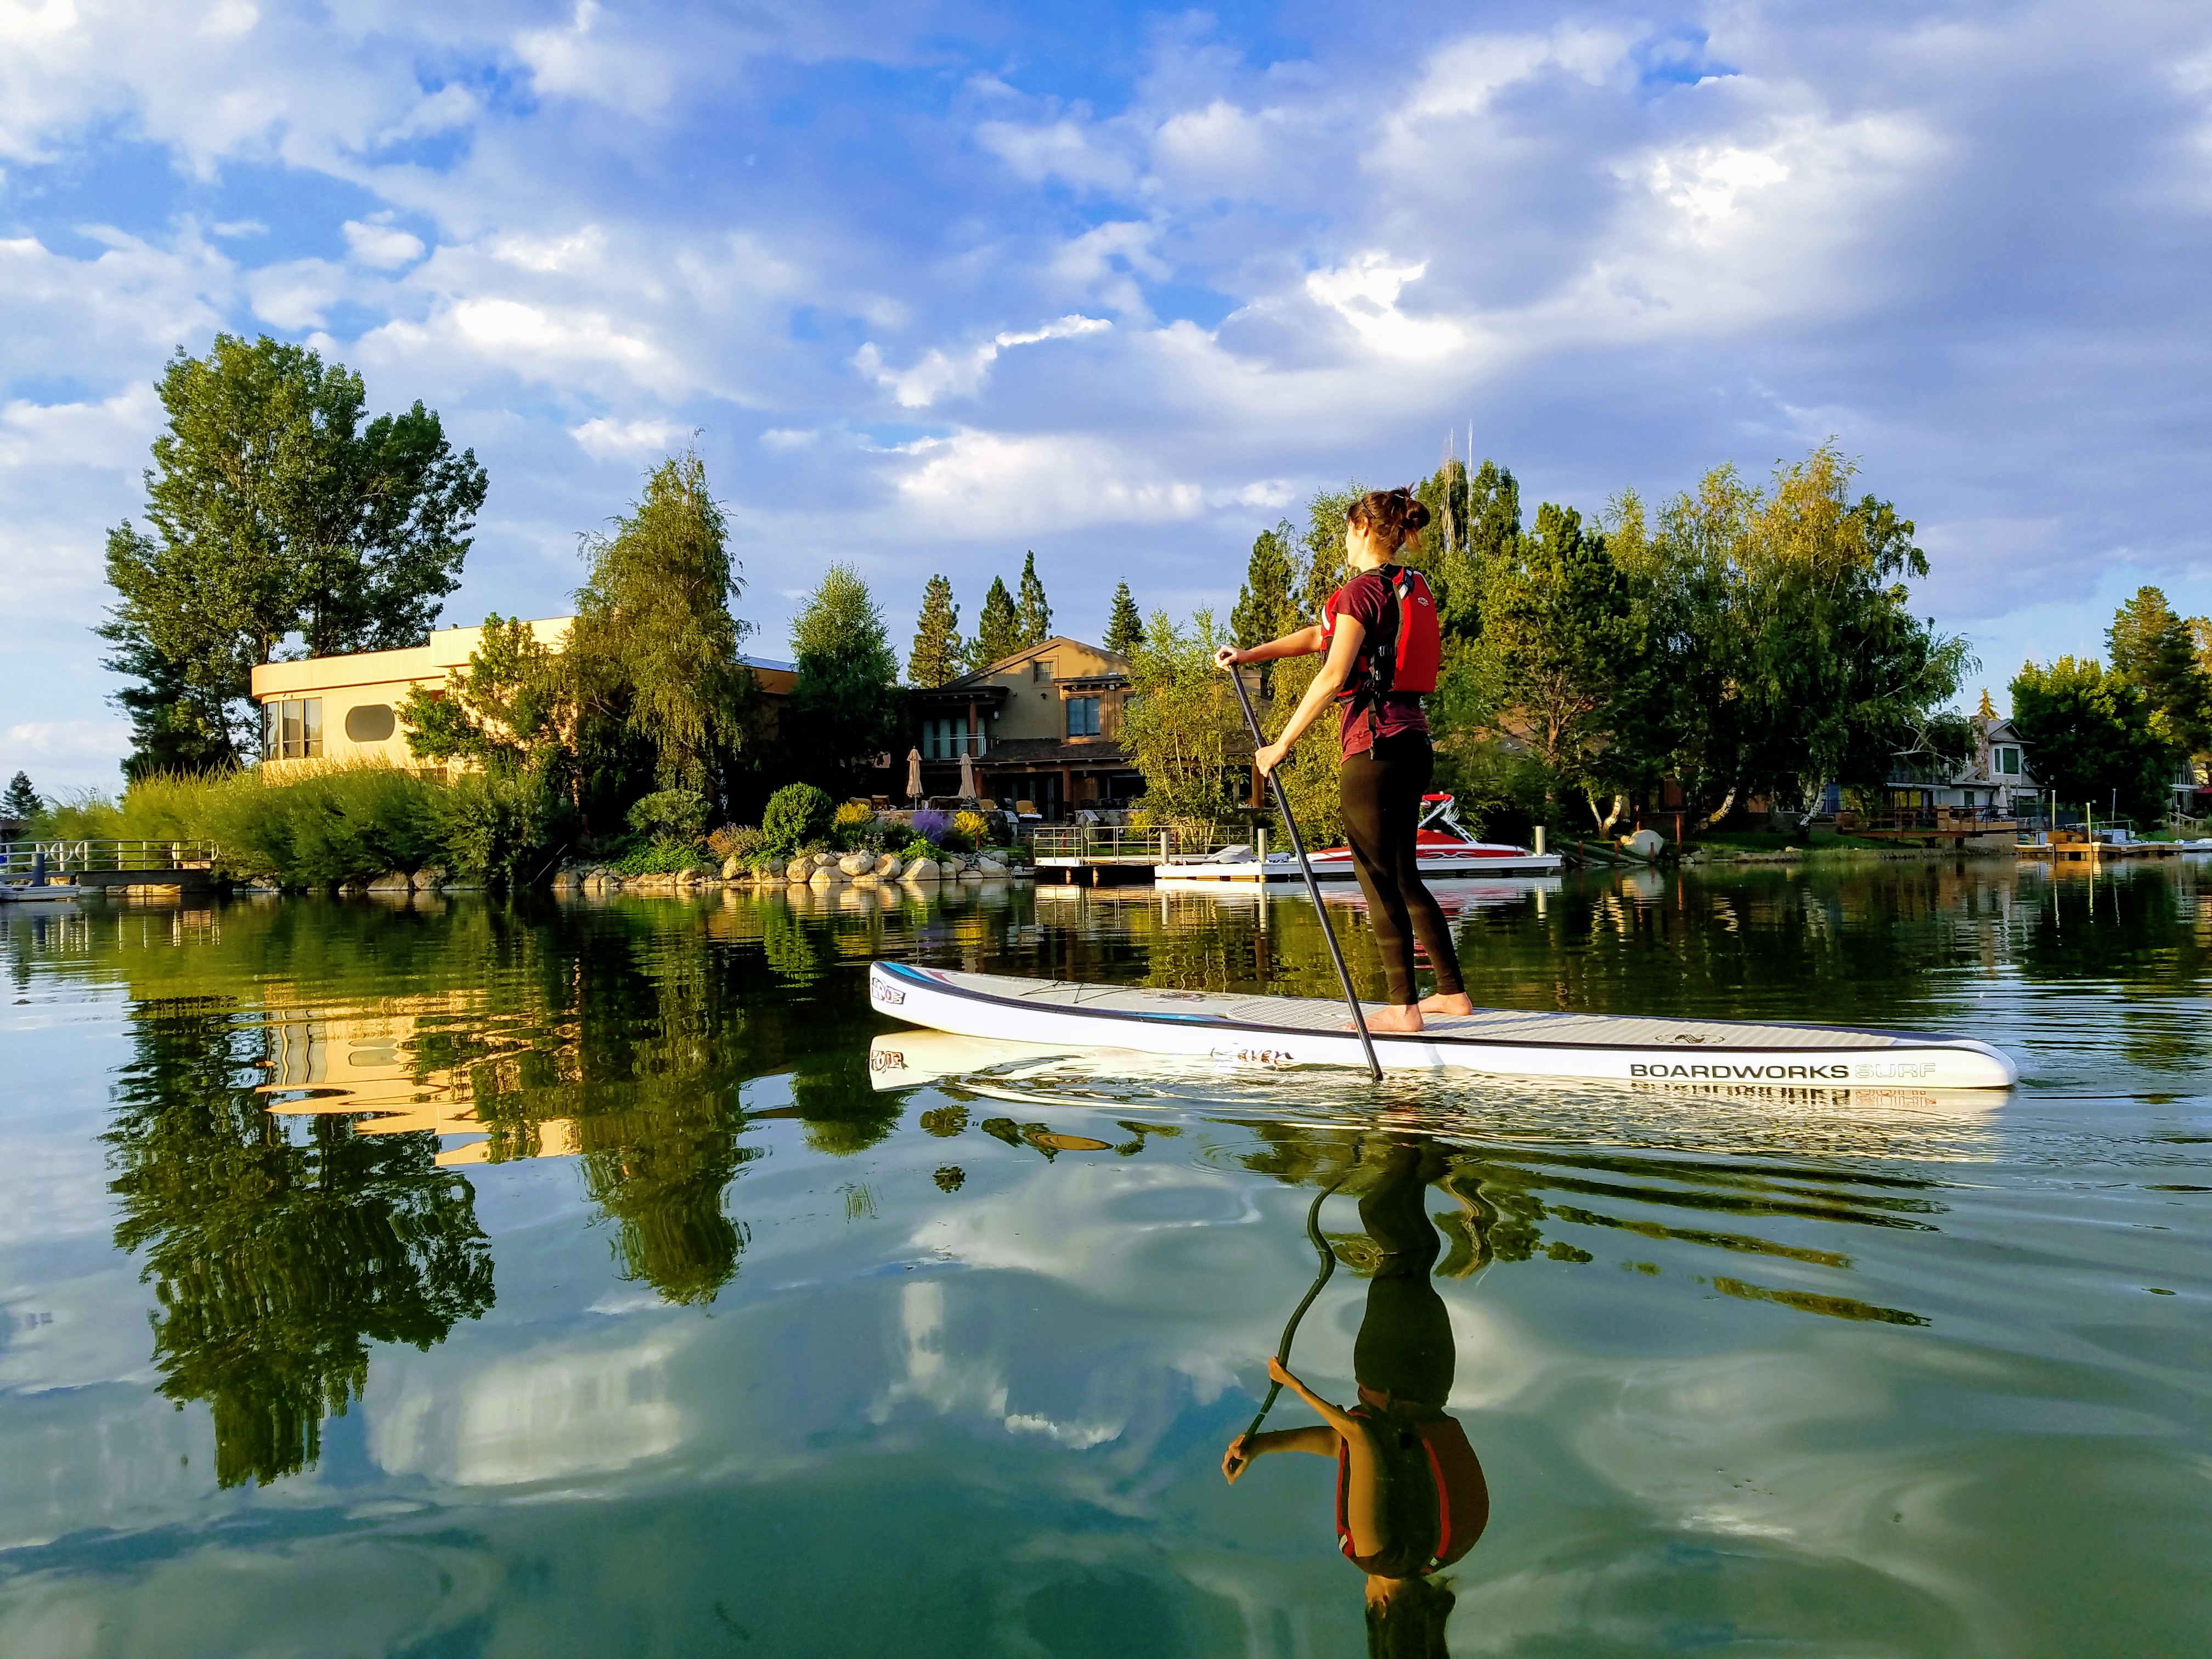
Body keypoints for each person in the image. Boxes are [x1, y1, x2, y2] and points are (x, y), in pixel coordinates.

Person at [1221, 1138, 1489, 1657]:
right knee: (1384, 1226)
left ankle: (1434, 1150)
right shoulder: (1376, 1554)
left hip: (1432, 1376)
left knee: (1412, 1256)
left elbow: (1360, 1451)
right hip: (1390, 1372)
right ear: (1380, 1610)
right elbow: (1362, 1436)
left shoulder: (1446, 1549)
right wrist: (1295, 1386)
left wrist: (1265, 1445)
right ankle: (1413, 1125)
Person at [1215, 489, 1470, 1033]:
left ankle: (1404, 1008)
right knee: (1404, 875)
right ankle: (1451, 996)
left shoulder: (1359, 592)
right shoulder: (1409, 588)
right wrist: (1249, 655)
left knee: (1376, 878)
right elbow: (1319, 638)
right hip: (1414, 744)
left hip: (1373, 751)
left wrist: (1279, 744)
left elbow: (1332, 675)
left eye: (1345, 528)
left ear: (1360, 527)